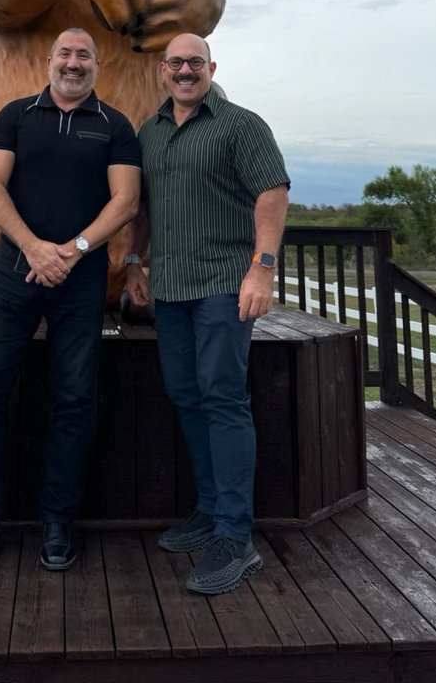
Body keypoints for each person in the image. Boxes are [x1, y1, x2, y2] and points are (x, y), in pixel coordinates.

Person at [0, 27, 141, 574]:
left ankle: (57, 520)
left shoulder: (114, 125)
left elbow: (125, 201)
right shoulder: (16, 115)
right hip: (14, 271)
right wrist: (32, 247)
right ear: (50, 61)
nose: (74, 63)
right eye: (65, 54)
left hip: (83, 276)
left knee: (74, 397)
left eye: (84, 55)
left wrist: (73, 251)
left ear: (96, 65)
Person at [125, 32, 290, 595]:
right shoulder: (150, 131)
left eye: (194, 62)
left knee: (222, 398)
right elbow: (143, 207)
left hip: (224, 285)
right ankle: (211, 508)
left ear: (211, 68)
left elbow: (272, 193)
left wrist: (262, 269)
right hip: (170, 288)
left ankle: (235, 537)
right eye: (175, 62)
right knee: (186, 395)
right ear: (162, 71)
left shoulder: (242, 125)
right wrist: (133, 262)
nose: (184, 71)